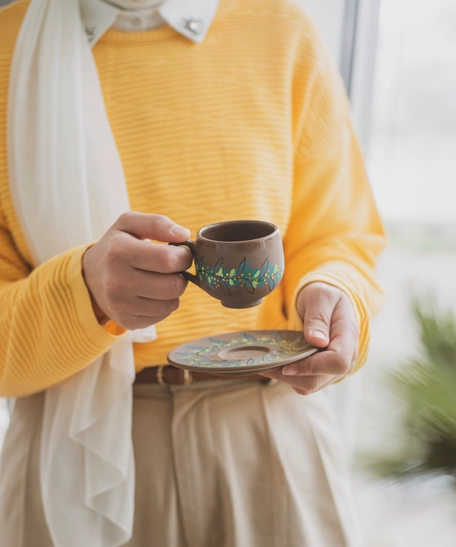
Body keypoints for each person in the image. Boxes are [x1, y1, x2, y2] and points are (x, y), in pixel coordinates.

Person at [0, 0, 386, 545]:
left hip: (269, 432)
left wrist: (332, 290)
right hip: (73, 454)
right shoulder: (5, 50)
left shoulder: (282, 28)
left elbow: (339, 235)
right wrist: (83, 295)